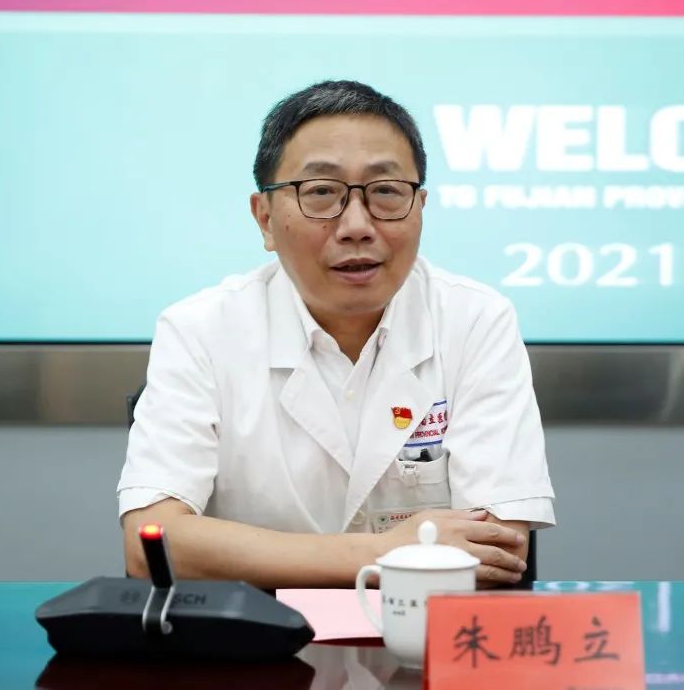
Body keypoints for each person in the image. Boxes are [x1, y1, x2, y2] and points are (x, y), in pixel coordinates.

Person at [118, 80, 554, 589]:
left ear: (420, 207)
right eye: (321, 192)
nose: (356, 225)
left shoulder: (475, 320)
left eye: (386, 191)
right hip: (259, 634)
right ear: (265, 219)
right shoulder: (200, 330)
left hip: (422, 631)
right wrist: (388, 553)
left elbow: (498, 548)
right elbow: (150, 543)